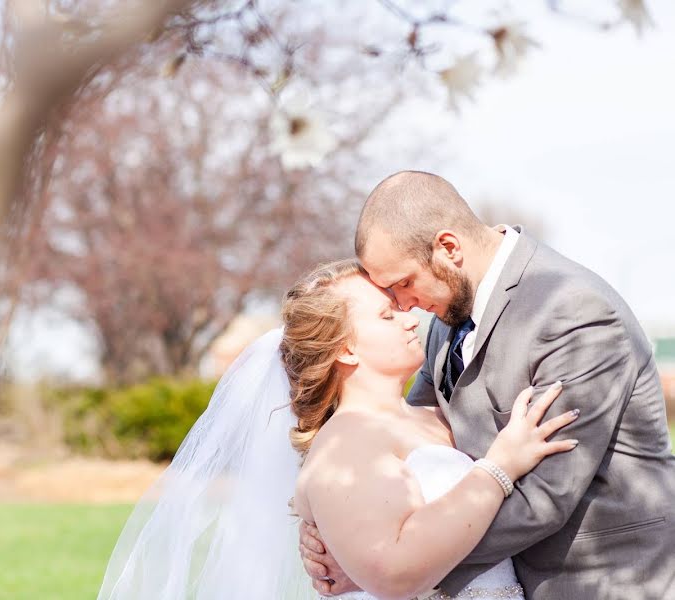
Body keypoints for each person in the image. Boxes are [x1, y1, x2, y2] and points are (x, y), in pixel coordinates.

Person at [97, 259, 576, 600]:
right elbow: (391, 572)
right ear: (345, 351)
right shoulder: (343, 446)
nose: (411, 319)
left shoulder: (435, 416)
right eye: (387, 315)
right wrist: (499, 467)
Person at [301, 171, 675, 599]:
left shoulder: (572, 310)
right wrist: (342, 535)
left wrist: (398, 568)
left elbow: (548, 492)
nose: (404, 304)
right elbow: (406, 434)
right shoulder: (445, 320)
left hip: (603, 582)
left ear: (448, 248)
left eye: (404, 283)